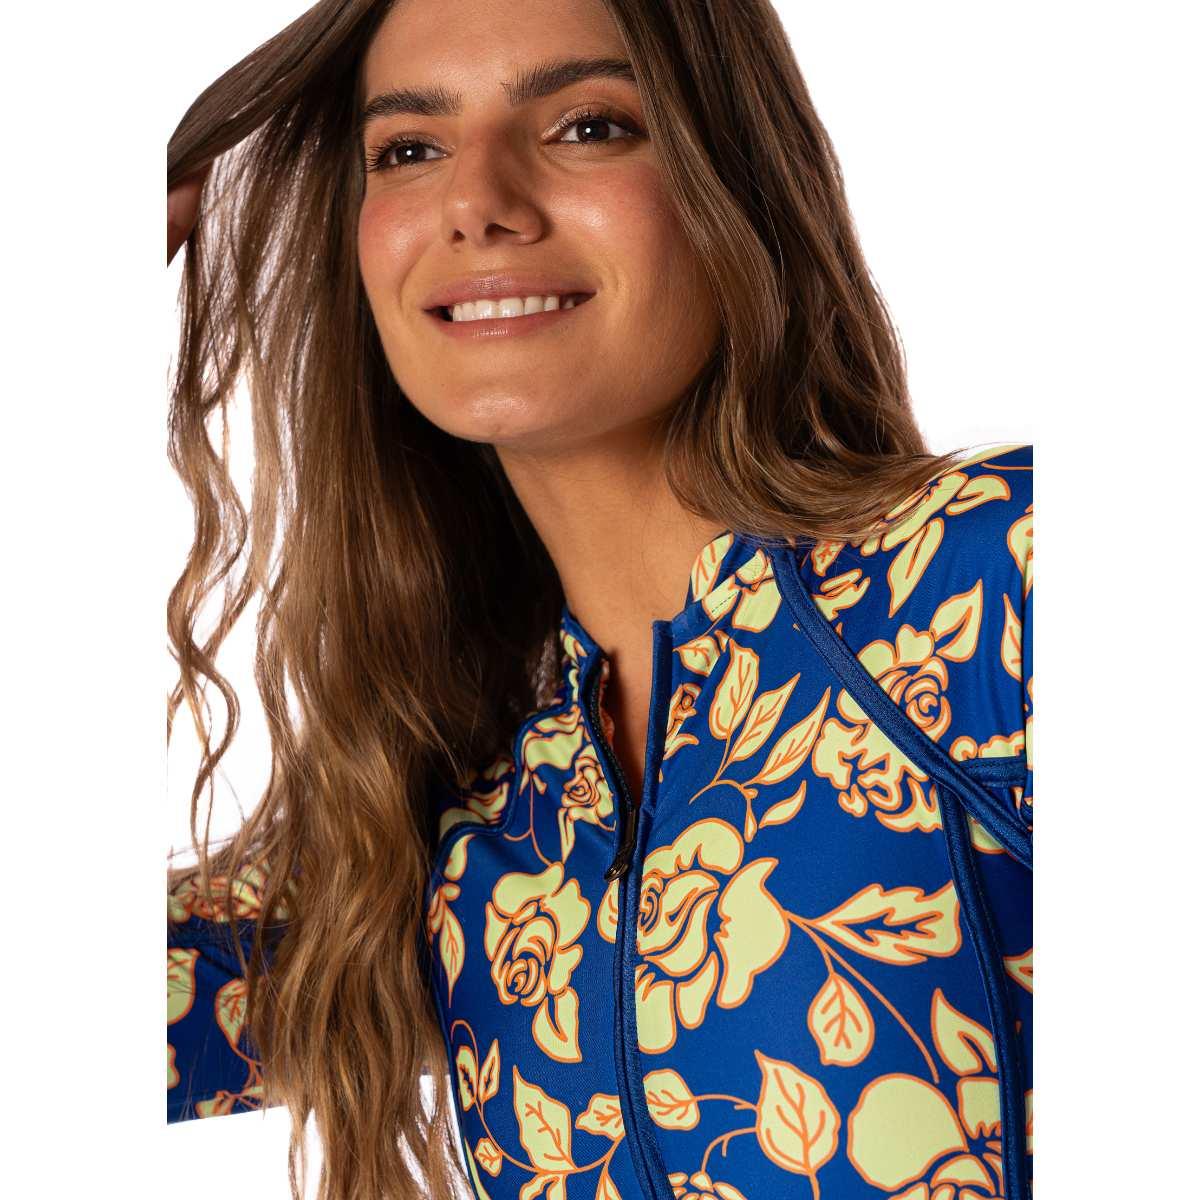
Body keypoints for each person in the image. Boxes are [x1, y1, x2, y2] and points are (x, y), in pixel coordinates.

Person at [165, 2, 1034, 1199]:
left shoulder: (987, 580)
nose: (477, 202)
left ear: (738, 179)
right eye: (409, 149)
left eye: (587, 126)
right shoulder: (455, 820)